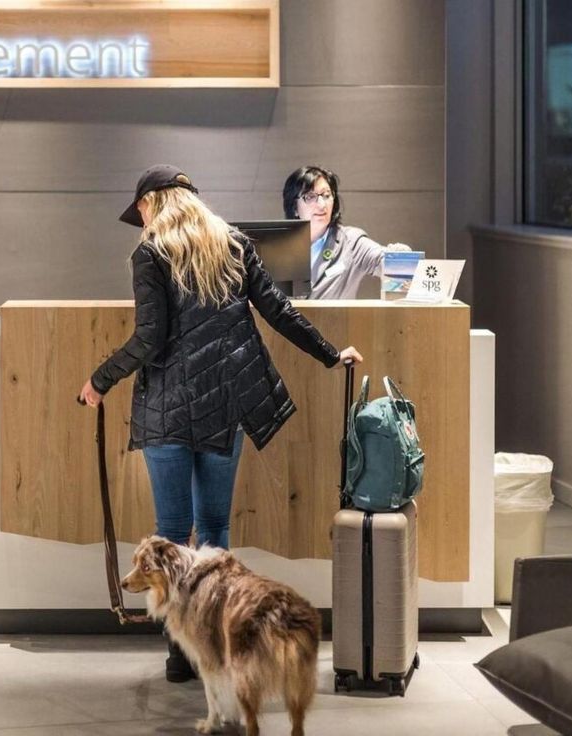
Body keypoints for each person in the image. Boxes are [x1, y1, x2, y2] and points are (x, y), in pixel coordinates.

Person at [79, 164, 362, 682]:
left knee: (170, 533)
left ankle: (179, 655)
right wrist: (330, 354)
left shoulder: (150, 254)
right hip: (223, 407)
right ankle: (214, 642)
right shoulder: (232, 243)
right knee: (212, 531)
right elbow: (277, 309)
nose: (139, 217)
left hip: (167, 407)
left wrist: (100, 380)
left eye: (140, 207)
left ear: (155, 202)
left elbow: (149, 337)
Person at [283, 165, 411, 299]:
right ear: (294, 207)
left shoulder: (350, 242)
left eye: (326, 195)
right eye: (310, 196)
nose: (322, 204)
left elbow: (387, 261)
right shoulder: (278, 246)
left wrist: (401, 257)